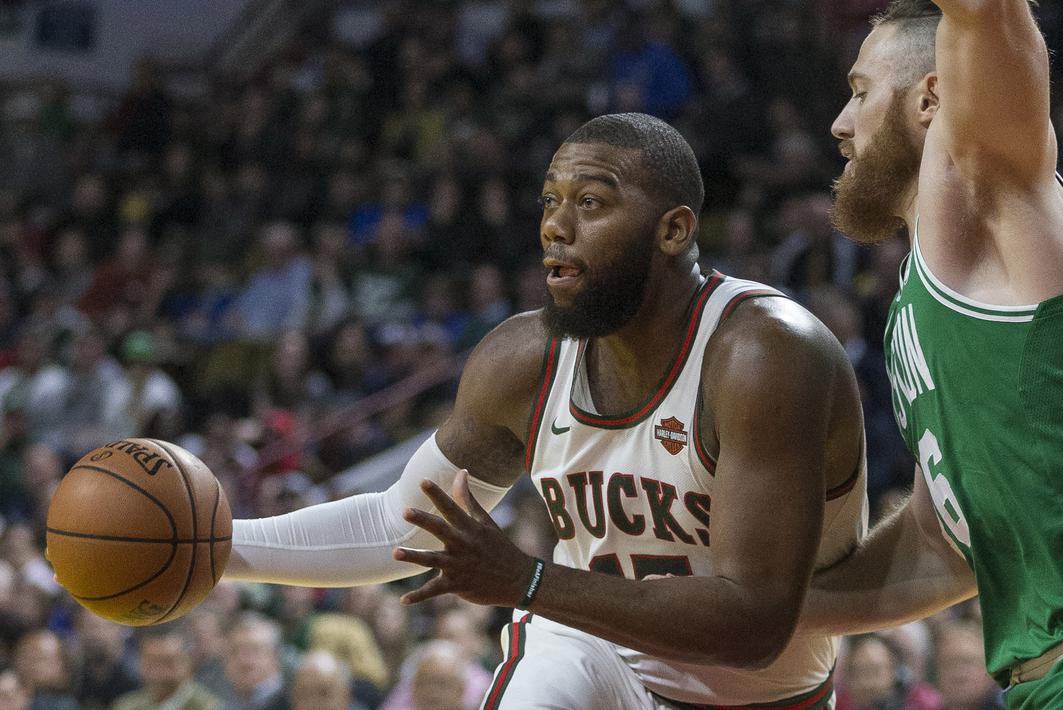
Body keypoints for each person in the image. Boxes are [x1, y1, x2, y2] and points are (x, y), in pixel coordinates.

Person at [224, 112, 868, 708]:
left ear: (673, 230)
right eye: (550, 201)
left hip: (763, 696)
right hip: (597, 651)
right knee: (552, 656)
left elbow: (754, 625)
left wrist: (529, 581)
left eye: (590, 203)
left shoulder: (765, 355)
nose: (556, 227)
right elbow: (402, 526)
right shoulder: (523, 360)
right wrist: (213, 549)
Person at [801, 1, 1063, 708]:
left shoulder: (990, 194)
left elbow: (989, 19)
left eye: (859, 92)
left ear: (931, 99)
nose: (839, 124)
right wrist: (763, 609)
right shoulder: (911, 308)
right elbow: (938, 545)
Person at [110, 625, 222, 710]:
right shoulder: (126, 705)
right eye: (152, 662)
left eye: (167, 662)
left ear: (188, 662)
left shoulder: (209, 706)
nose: (159, 672)